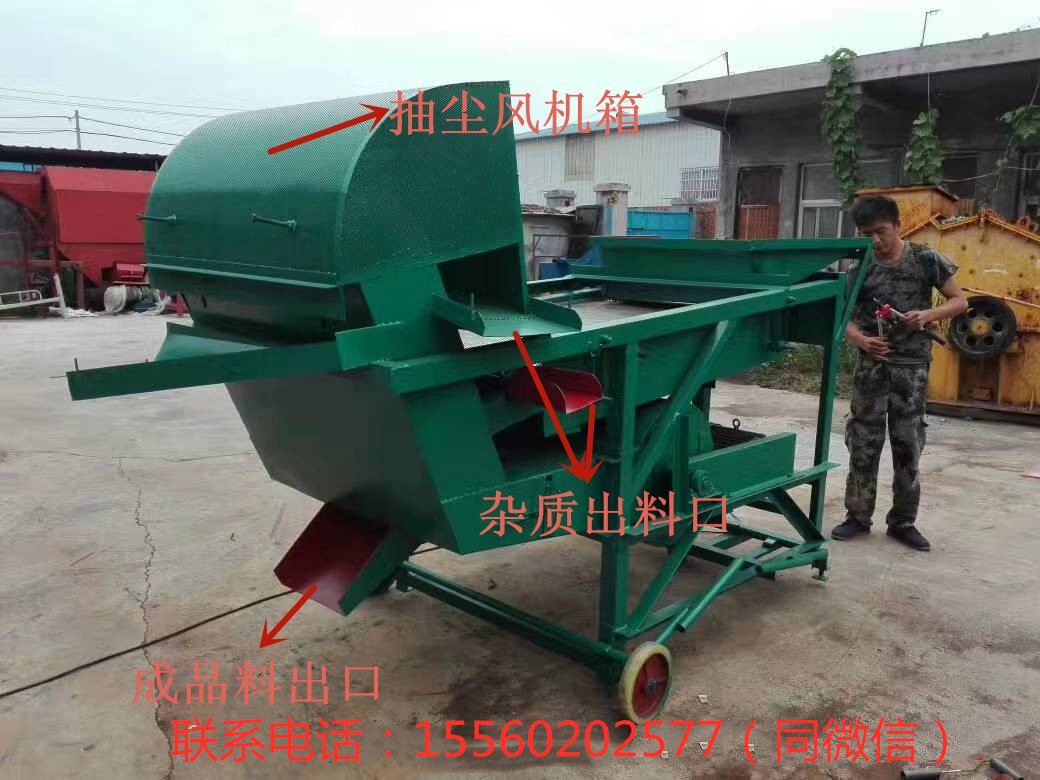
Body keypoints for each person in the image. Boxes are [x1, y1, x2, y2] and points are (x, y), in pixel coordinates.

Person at [831, 195, 968, 551]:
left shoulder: (924, 259)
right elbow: (841, 316)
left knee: (908, 444)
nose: (875, 240)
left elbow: (960, 301)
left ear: (897, 225)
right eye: (867, 234)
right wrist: (862, 340)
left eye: (881, 231)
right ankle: (857, 516)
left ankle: (903, 522)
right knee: (863, 441)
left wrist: (927, 316)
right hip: (871, 369)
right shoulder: (860, 267)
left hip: (912, 369)